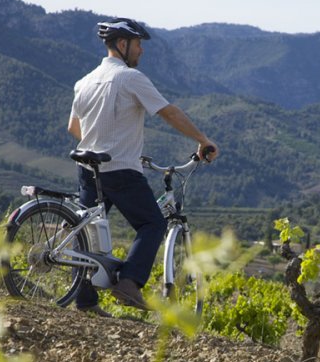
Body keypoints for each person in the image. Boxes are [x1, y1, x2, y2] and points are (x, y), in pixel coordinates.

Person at [68, 17, 218, 315]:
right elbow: (170, 114)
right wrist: (203, 140)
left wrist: (100, 143)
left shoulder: (84, 82)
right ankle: (129, 282)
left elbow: (74, 127)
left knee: (87, 234)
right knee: (153, 223)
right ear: (122, 45)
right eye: (138, 45)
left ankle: (84, 302)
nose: (141, 51)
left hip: (88, 168)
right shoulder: (130, 79)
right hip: (121, 170)